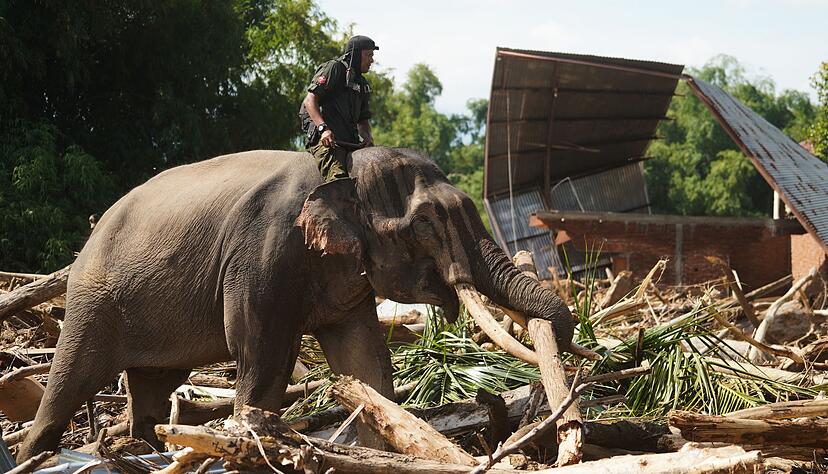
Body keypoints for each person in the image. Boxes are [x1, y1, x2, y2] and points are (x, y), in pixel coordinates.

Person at [299, 35, 378, 182]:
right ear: (355, 55)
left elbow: (363, 120)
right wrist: (323, 129)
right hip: (325, 139)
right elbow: (310, 100)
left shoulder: (362, 83)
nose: (372, 60)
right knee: (339, 182)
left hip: (349, 141)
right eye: (369, 55)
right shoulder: (334, 68)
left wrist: (367, 137)